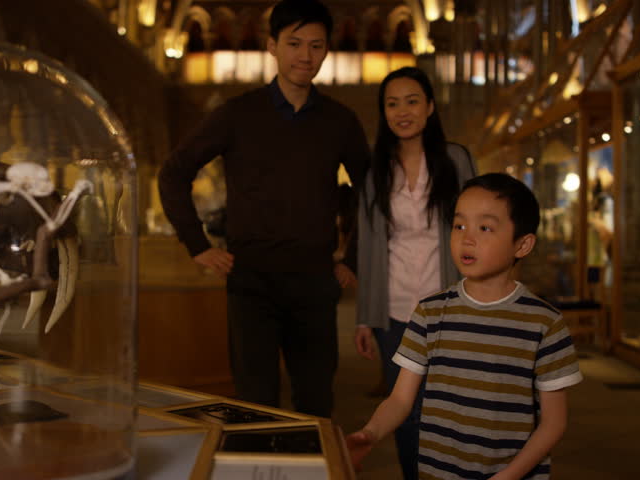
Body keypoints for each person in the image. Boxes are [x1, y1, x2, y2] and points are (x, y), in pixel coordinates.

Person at [158, 0, 370, 418]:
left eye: (315, 45)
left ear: (327, 51)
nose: (305, 56)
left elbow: (372, 193)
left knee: (315, 401)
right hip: (251, 281)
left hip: (314, 281)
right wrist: (197, 244)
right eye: (294, 43)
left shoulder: (340, 121)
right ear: (272, 46)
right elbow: (174, 172)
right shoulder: (237, 114)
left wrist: (355, 257)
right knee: (255, 401)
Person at [348, 173, 583, 480]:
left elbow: (554, 423)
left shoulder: (544, 323)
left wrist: (508, 477)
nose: (466, 238)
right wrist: (370, 433)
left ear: (522, 244)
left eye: (485, 228)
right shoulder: (430, 313)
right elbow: (401, 399)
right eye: (459, 225)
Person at [353, 66, 476, 479]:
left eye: (411, 101)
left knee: (449, 405)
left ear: (430, 107)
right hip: (395, 310)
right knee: (404, 410)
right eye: (392, 103)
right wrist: (366, 317)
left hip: (448, 305)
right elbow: (371, 245)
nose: (402, 111)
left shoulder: (455, 160)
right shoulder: (376, 171)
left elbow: (475, 230)